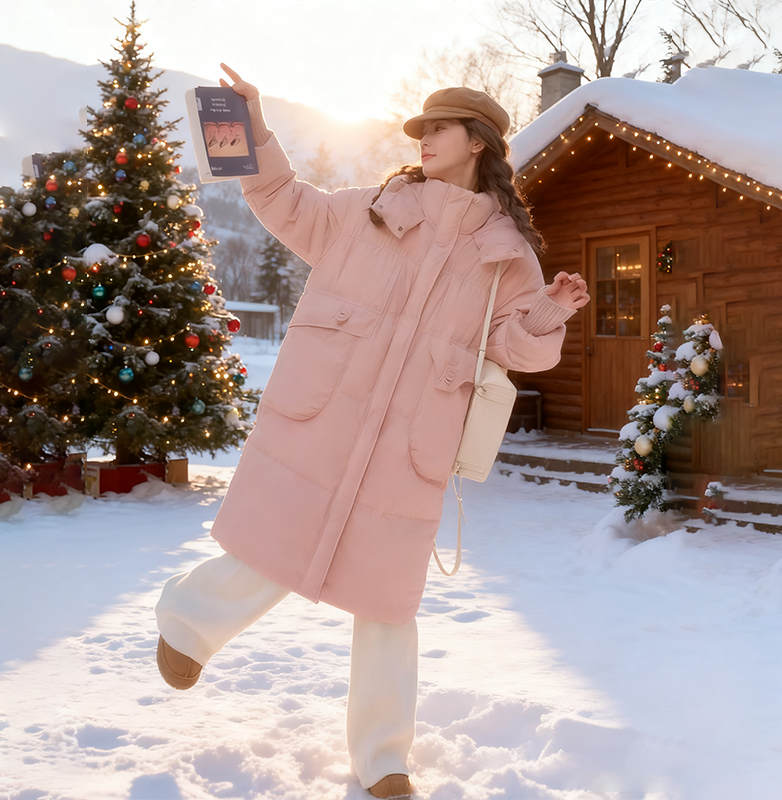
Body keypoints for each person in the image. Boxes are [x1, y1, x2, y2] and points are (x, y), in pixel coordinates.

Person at [155, 64, 590, 799]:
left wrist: (549, 311)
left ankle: (384, 757)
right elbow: (278, 197)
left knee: (389, 599)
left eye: (440, 129)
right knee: (278, 543)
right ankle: (187, 620)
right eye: (420, 129)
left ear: (478, 142)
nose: (424, 139)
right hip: (325, 415)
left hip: (411, 444)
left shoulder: (506, 255)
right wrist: (248, 123)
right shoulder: (370, 211)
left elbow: (518, 350)